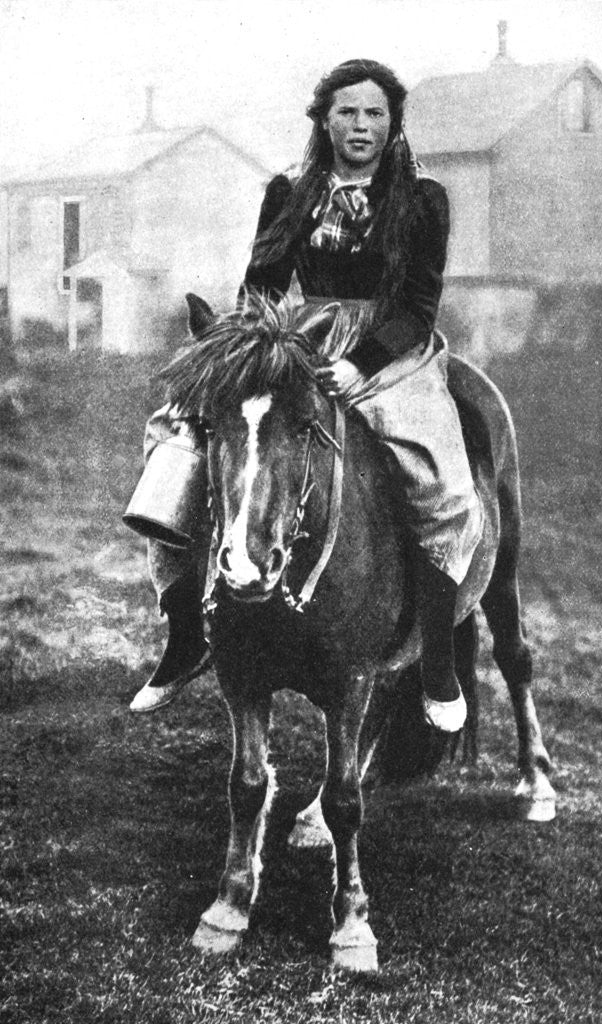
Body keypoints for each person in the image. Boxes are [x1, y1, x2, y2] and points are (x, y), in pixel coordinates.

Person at [129, 58, 482, 732]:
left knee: (441, 481)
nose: (360, 125)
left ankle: (435, 655)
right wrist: (251, 348)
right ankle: (183, 633)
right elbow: (260, 287)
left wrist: (359, 363)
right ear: (324, 119)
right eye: (347, 111)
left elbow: (418, 304)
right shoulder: (289, 191)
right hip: (295, 339)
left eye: (374, 113)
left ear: (392, 123)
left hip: (388, 350)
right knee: (174, 436)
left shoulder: (422, 198)